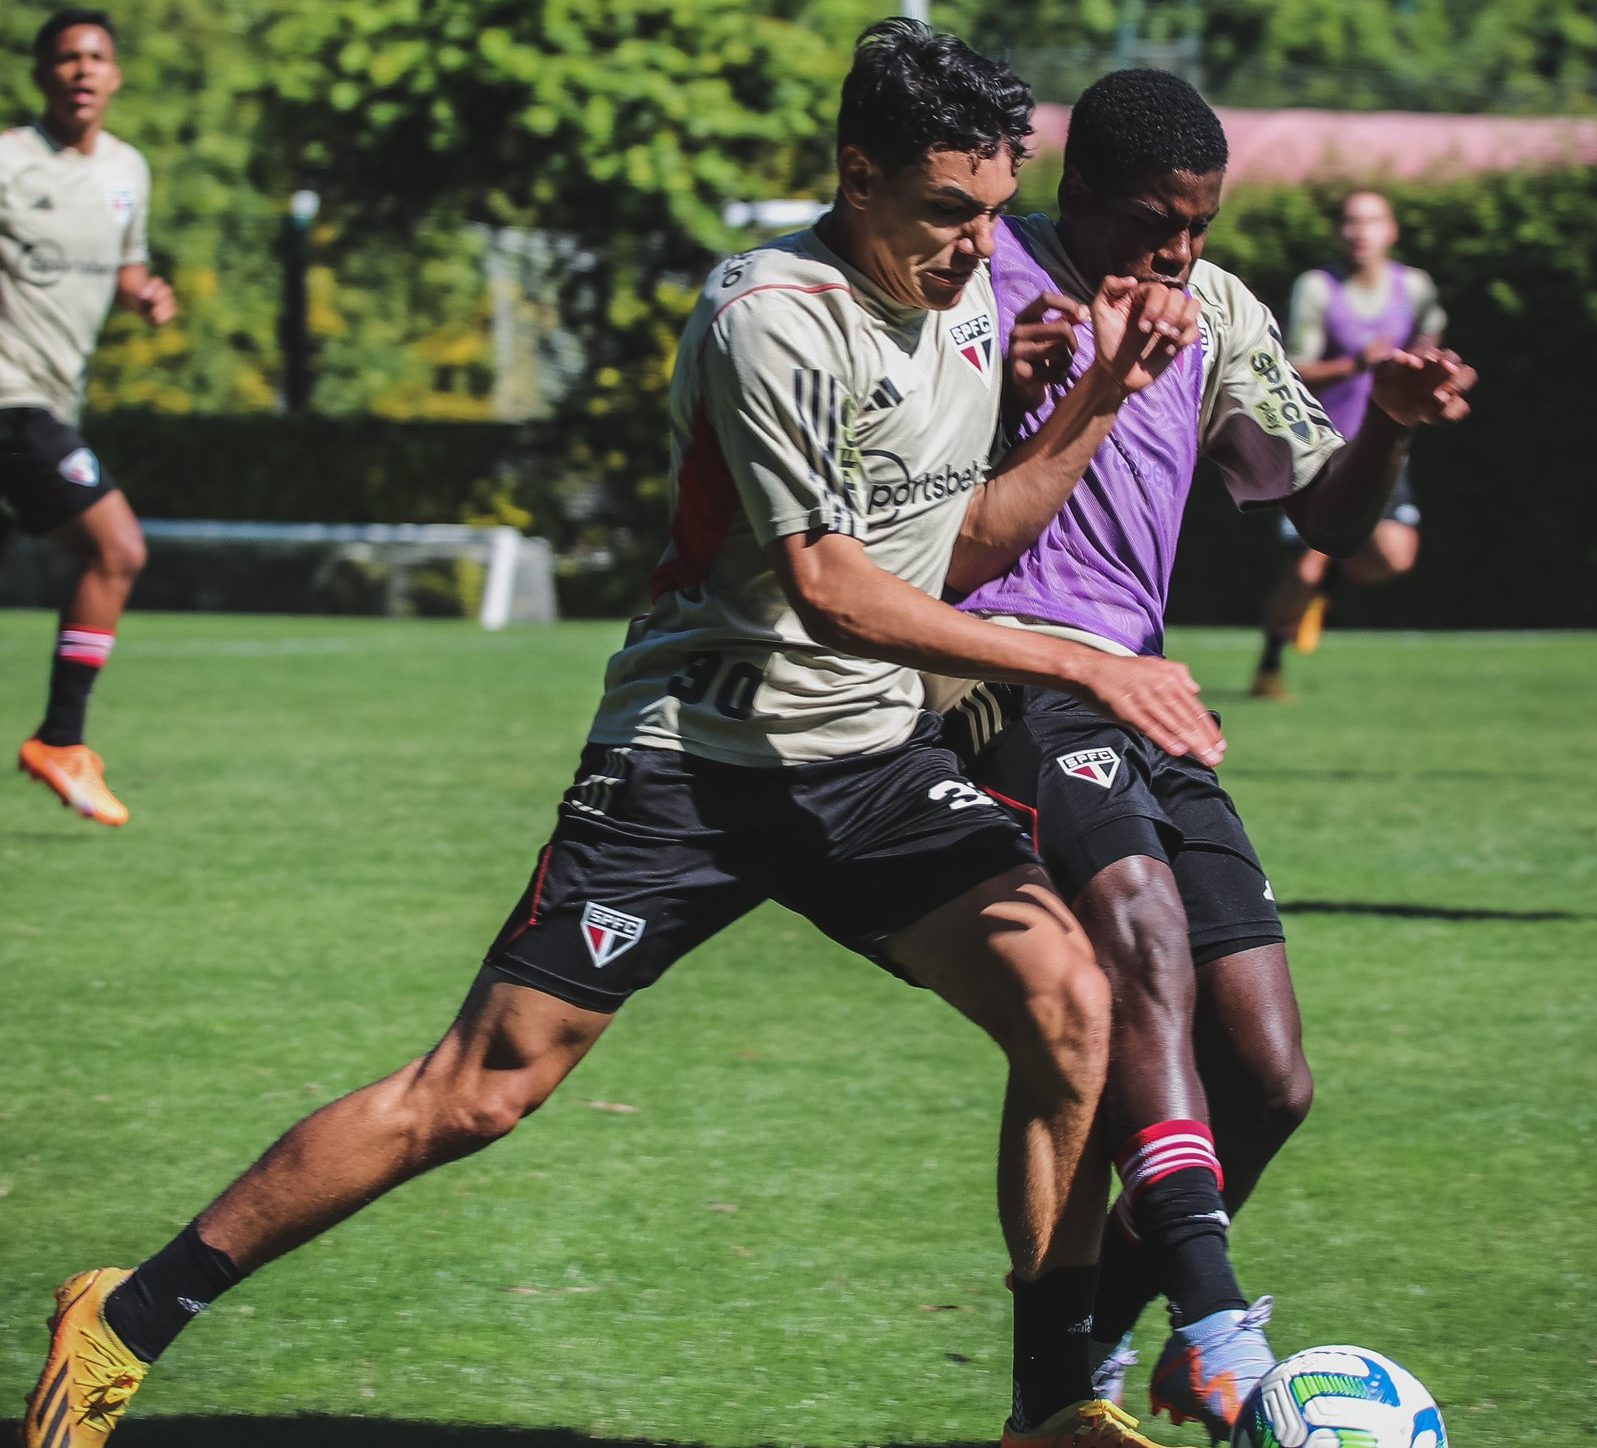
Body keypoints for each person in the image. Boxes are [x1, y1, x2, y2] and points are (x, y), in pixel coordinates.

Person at [20, 23, 1222, 1448]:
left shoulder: (957, 303)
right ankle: (127, 1316)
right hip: (691, 767)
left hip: (867, 764)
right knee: (474, 1093)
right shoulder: (769, 313)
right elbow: (832, 590)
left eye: (989, 212)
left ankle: (1048, 1416)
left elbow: (957, 549)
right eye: (942, 213)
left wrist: (1095, 400)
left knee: (1069, 1006)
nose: (974, 250)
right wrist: (1078, 661)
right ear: (855, 174)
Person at [934, 70, 1475, 1443]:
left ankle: (1100, 1359)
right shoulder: (982, 282)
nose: (1176, 250)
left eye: (1198, 224)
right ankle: (1220, 1327)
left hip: (1146, 698)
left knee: (1269, 1078)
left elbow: (1326, 519)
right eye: (1150, 222)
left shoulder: (1219, 309)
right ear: (1080, 192)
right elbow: (909, 502)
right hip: (1002, 682)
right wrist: (1031, 382)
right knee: (1134, 928)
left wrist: (1389, 432)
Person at [1, 8, 175, 826]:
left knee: (104, 554)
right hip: (10, 398)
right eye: (66, 58)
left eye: (95, 58)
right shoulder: (7, 163)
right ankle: (62, 740)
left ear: (115, 76)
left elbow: (127, 263)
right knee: (118, 546)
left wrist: (144, 291)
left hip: (47, 401)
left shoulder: (128, 171)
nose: (81, 70)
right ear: (42, 75)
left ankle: (61, 740)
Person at [1250, 189, 1447, 698]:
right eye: (1351, 222)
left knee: (1395, 556)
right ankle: (1269, 666)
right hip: (1317, 445)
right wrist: (1356, 364)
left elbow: (1430, 341)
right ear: (1339, 232)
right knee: (1307, 562)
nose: (1361, 231)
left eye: (1372, 221)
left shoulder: (1415, 288)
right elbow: (1290, 372)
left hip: (1381, 445)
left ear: (1392, 230)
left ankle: (1326, 587)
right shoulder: (1316, 289)